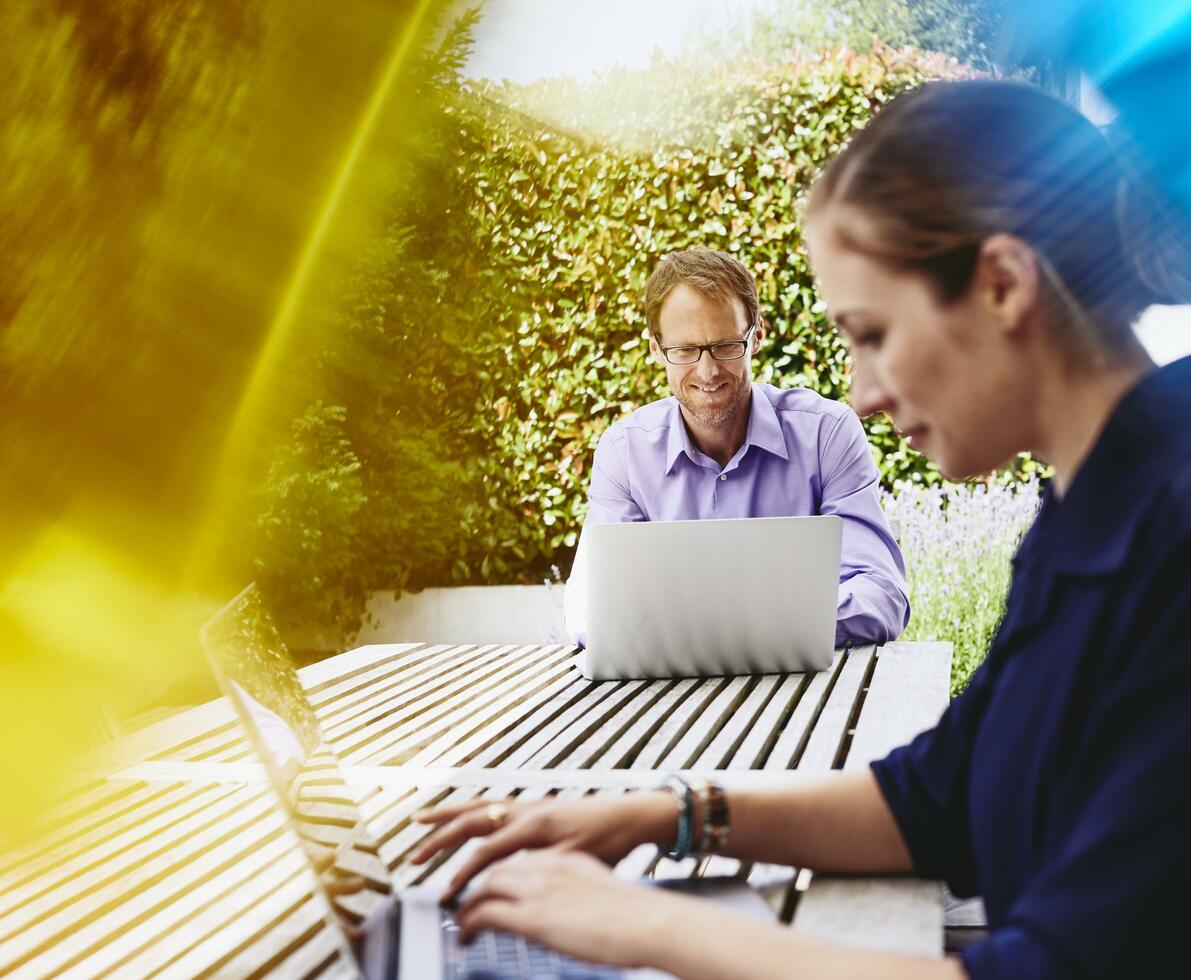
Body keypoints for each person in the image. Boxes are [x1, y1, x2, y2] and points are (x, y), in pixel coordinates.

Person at [408, 79, 1191, 979]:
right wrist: (661, 811)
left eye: (870, 333)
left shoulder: (1171, 538)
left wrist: (654, 930)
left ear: (1004, 285)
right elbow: (935, 798)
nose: (859, 391)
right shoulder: (1089, 512)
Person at [564, 246, 910, 649]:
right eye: (685, 350)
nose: (708, 371)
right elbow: (588, 606)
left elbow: (882, 593)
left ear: (756, 337)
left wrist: (750, 629)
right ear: (657, 349)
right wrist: (757, 625)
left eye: (726, 345)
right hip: (670, 697)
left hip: (807, 692)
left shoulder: (826, 435)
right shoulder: (625, 453)